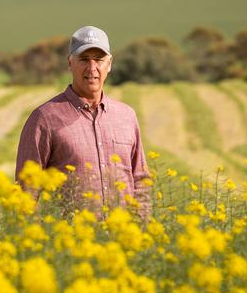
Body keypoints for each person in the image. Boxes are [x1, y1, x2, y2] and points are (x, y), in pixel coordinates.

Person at [15, 25, 151, 218]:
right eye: (84, 59)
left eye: (99, 60)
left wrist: (141, 230)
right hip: (68, 242)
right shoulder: (44, 118)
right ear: (70, 63)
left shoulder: (127, 116)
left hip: (122, 242)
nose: (92, 68)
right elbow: (27, 190)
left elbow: (140, 181)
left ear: (109, 64)